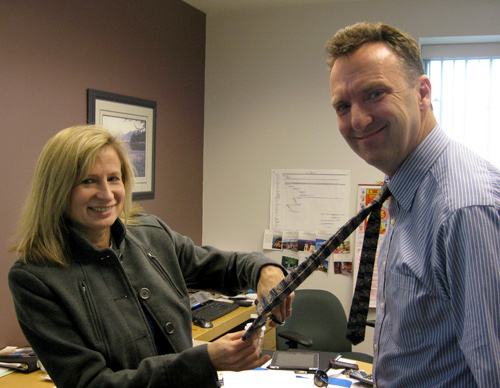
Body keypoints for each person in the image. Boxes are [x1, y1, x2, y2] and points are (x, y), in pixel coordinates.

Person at [8, 125, 293, 388]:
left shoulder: (149, 234)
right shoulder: (36, 278)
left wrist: (265, 272)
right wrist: (204, 360)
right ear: (57, 189)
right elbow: (91, 383)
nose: (107, 194)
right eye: (88, 181)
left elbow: (224, 267)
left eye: (113, 179)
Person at [325, 22, 500, 387]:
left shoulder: (463, 208)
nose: (358, 119)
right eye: (343, 106)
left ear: (422, 92)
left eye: (374, 94)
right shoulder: (405, 191)